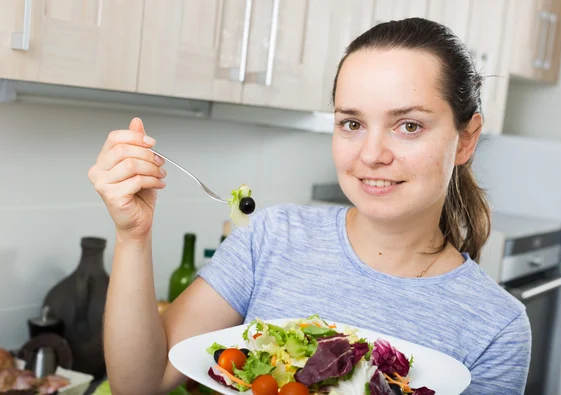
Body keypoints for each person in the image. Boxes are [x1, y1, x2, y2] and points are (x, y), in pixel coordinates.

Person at [88, 18, 531, 395]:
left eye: (408, 125)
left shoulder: (497, 328)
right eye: (352, 123)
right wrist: (132, 236)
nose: (372, 153)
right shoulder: (273, 236)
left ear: (466, 139)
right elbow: (140, 383)